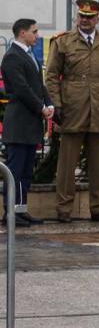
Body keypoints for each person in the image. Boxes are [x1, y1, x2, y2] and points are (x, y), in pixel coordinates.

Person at [46, 0, 99, 224]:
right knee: (67, 164)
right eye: (81, 16)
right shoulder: (62, 42)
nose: (84, 20)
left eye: (89, 17)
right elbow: (51, 76)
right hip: (72, 108)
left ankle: (98, 208)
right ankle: (64, 209)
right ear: (77, 17)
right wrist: (56, 104)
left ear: (97, 19)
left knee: (98, 164)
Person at [2, 19, 53, 227]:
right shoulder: (12, 56)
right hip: (19, 122)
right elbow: (22, 89)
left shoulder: (29, 55)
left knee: (26, 171)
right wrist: (41, 108)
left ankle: (21, 210)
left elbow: (39, 85)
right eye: (34, 31)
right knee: (14, 171)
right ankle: (10, 212)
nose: (37, 35)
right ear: (22, 33)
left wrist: (49, 104)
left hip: (30, 123)